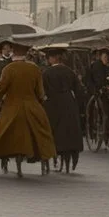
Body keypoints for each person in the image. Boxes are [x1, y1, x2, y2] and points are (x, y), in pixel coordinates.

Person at [0, 40, 55, 176]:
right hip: (33, 107)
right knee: (42, 132)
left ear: (13, 52)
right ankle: (44, 160)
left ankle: (14, 163)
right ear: (26, 53)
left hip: (12, 108)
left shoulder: (8, 69)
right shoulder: (34, 69)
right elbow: (41, 93)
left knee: (5, 131)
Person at [40, 44, 84, 172]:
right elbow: (79, 90)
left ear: (53, 59)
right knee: (69, 134)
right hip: (69, 104)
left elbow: (42, 91)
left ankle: (54, 160)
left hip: (53, 105)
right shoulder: (70, 72)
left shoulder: (46, 73)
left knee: (54, 133)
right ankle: (67, 164)